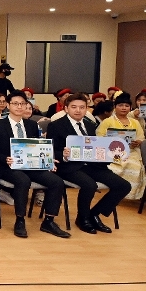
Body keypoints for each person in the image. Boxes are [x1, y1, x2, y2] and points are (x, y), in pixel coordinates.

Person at [46, 94, 130, 234]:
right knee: (89, 185)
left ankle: (94, 214)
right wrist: (63, 155)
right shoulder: (56, 125)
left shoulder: (91, 125)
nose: (78, 110)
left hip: (92, 164)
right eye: (74, 107)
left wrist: (110, 154)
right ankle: (83, 218)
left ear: (87, 109)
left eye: (82, 107)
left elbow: (95, 146)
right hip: (68, 166)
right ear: (66, 108)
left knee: (123, 185)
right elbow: (50, 151)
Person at [0, 93, 69, 238]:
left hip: (30, 165)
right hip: (8, 167)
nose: (19, 106)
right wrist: (5, 159)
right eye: (15, 103)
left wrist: (48, 161)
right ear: (8, 105)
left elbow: (38, 147)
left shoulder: (31, 125)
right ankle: (20, 220)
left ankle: (49, 221)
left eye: (22, 103)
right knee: (23, 180)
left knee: (56, 181)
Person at [96, 93, 146, 200]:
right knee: (126, 164)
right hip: (111, 152)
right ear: (115, 107)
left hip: (131, 151)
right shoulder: (107, 121)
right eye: (120, 105)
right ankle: (120, 191)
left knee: (139, 166)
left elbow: (141, 137)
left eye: (126, 106)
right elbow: (99, 137)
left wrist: (138, 142)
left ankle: (132, 194)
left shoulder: (135, 122)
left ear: (130, 108)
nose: (124, 108)